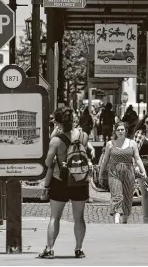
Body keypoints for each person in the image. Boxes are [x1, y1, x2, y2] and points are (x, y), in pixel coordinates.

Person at [39, 107, 89, 259]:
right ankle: (79, 249)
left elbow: (48, 162)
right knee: (79, 217)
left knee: (55, 217)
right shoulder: (83, 135)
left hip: (60, 180)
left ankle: (49, 249)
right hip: (79, 179)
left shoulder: (56, 140)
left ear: (58, 122)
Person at [98, 122, 146, 224]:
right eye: (118, 130)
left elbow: (137, 159)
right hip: (114, 172)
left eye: (122, 129)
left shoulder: (132, 143)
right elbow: (105, 160)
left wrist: (143, 171)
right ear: (115, 131)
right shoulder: (110, 144)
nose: (120, 131)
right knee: (116, 195)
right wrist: (100, 174)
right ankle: (116, 219)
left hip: (128, 172)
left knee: (128, 197)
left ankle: (124, 220)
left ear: (126, 131)